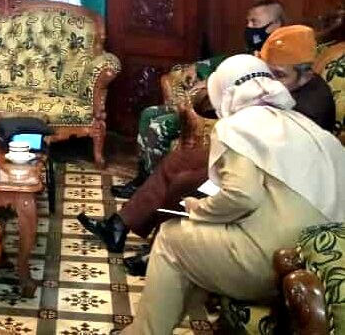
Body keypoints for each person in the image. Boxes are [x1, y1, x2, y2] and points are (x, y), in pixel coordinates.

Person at [121, 54, 345, 334]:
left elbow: (242, 195)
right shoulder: (304, 125)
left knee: (170, 236)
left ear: (223, 91)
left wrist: (197, 209)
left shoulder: (238, 125)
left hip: (277, 261)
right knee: (200, 240)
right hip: (324, 265)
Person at [79, 25, 336, 265]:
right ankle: (118, 226)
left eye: (279, 75)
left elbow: (275, 152)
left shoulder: (315, 103)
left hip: (268, 176)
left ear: (306, 74)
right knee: (179, 159)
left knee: (185, 183)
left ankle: (159, 252)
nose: (270, 82)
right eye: (268, 73)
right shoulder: (275, 85)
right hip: (243, 154)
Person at [111, 0, 286, 200]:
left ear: (275, 25)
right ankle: (144, 181)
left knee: (160, 125)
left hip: (233, 117)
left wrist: (213, 83)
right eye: (248, 22)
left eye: (255, 22)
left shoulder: (280, 59)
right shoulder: (254, 50)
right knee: (149, 114)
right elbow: (227, 61)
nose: (249, 27)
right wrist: (199, 67)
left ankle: (156, 191)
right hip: (215, 107)